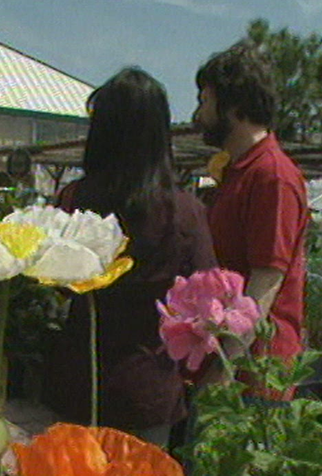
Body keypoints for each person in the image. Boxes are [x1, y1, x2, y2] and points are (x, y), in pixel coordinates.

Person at [44, 67, 217, 447]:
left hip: (80, 377)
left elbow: (54, 284)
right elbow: (208, 297)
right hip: (149, 385)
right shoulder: (185, 211)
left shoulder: (74, 201)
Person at [193, 41, 308, 395]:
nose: (199, 114)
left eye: (205, 101)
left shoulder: (271, 176)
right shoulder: (241, 171)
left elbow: (265, 282)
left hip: (254, 373)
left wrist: (227, 369)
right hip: (231, 361)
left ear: (235, 106)